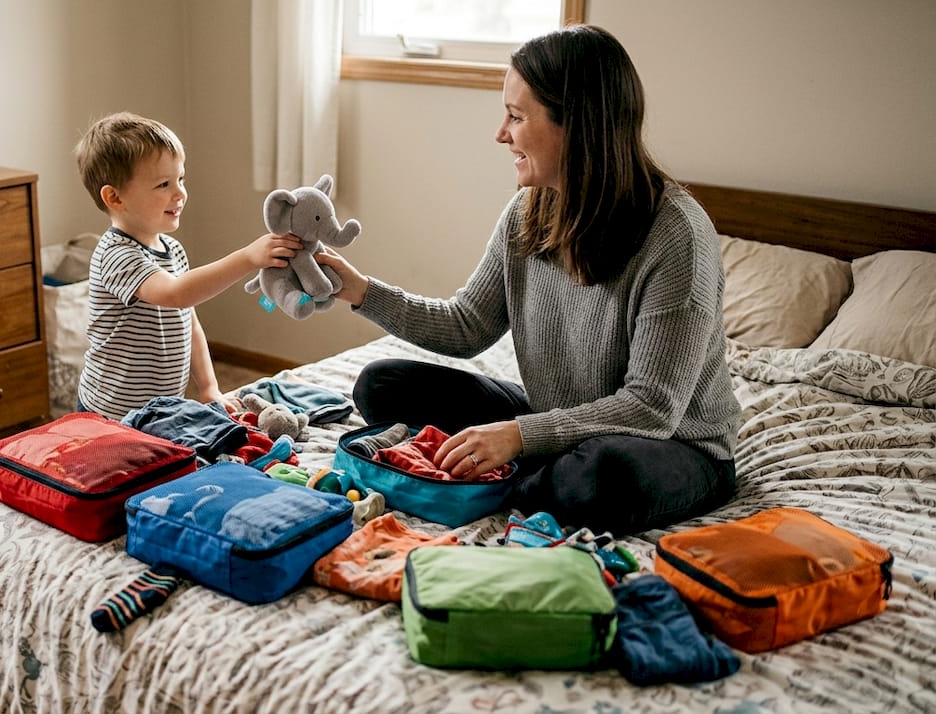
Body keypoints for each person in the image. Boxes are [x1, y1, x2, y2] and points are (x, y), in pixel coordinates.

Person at [317, 25, 740, 536]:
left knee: (599, 476)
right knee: (381, 385)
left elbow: (653, 406)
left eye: (517, 117)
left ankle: (515, 479)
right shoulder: (529, 210)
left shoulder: (677, 236)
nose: (501, 134)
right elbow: (467, 326)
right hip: (557, 419)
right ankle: (528, 473)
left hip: (673, 444)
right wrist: (359, 290)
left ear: (577, 125)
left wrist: (518, 436)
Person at [74, 111, 300, 420]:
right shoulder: (115, 255)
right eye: (163, 184)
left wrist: (208, 387)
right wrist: (247, 257)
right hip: (111, 414)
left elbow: (188, 322)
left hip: (160, 408)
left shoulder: (172, 249)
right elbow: (177, 294)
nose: (180, 193)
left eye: (180, 179)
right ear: (115, 197)